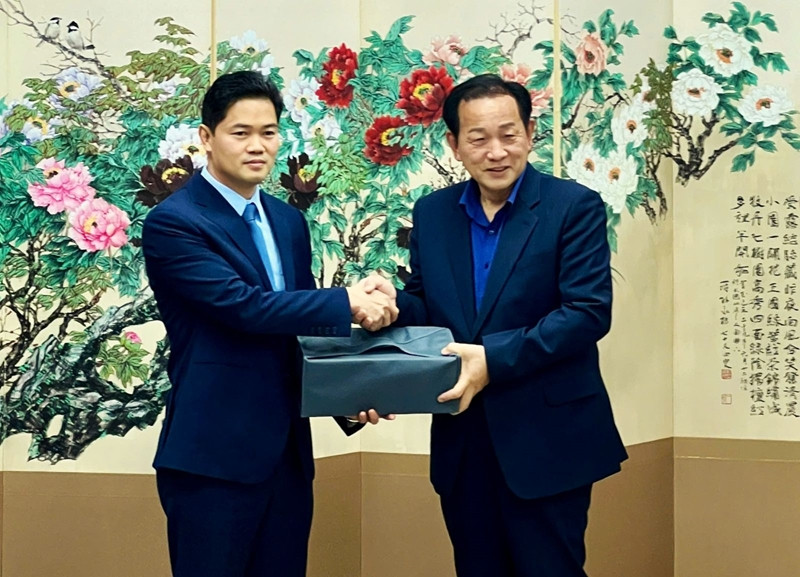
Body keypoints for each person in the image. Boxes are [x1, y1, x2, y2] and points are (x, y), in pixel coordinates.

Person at [141, 70, 395, 577]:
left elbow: (294, 334)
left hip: (287, 457)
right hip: (212, 460)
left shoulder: (287, 221)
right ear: (207, 138)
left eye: (270, 132)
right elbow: (245, 307)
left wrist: (346, 400)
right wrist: (347, 300)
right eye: (241, 133)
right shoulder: (175, 222)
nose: (258, 146)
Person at [393, 74, 628, 577]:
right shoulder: (433, 214)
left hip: (549, 440)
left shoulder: (574, 207)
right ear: (454, 144)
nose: (496, 151)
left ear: (530, 133)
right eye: (478, 138)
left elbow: (587, 312)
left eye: (509, 134)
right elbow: (423, 304)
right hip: (463, 441)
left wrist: (491, 361)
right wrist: (386, 307)